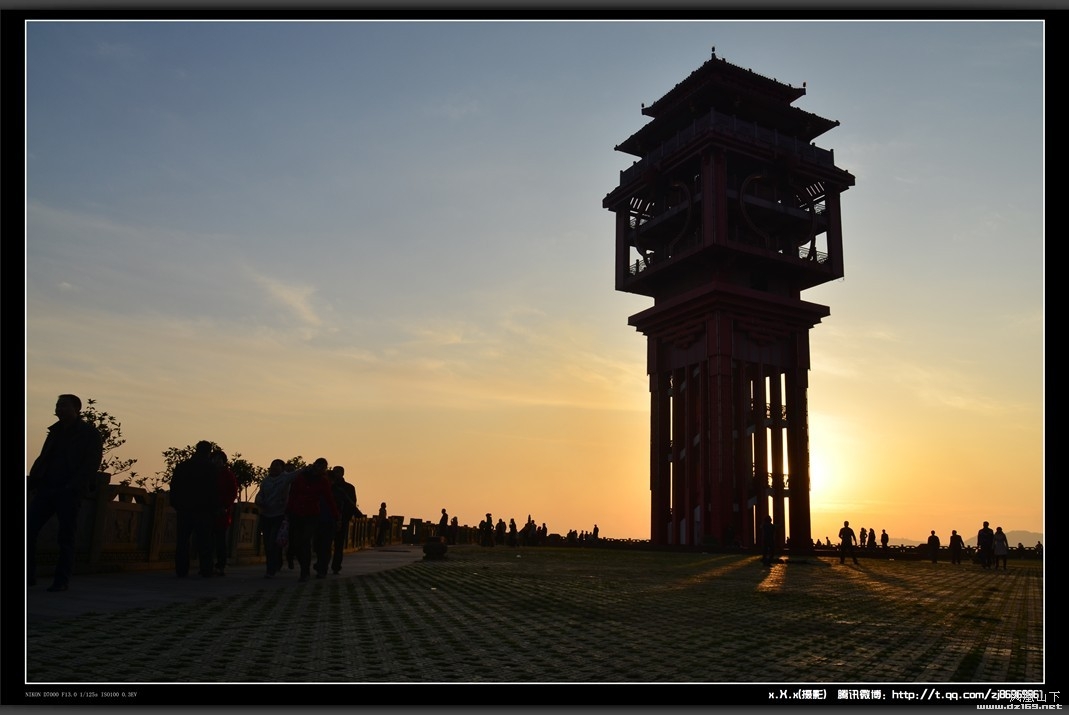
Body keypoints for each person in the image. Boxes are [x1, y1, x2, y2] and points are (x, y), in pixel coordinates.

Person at [27, 394, 104, 592]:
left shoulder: (90, 434)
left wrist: (74, 486)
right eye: (57, 405)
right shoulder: (55, 431)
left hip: (69, 491)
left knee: (66, 537)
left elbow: (91, 464)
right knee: (29, 530)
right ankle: (29, 575)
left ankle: (61, 580)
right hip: (46, 487)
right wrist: (34, 479)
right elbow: (44, 457)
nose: (59, 409)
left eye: (63, 405)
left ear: (76, 409)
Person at [169, 441, 220, 579]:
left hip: (184, 509)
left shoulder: (183, 466)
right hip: (204, 510)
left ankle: (181, 570)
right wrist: (215, 509)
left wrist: (175, 503)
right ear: (209, 452)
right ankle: (206, 570)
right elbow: (214, 491)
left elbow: (174, 487)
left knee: (182, 541)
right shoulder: (211, 468)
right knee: (205, 542)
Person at [285, 458, 339, 582]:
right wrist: (288, 509)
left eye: (323, 467)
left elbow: (329, 498)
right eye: (318, 465)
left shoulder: (323, 481)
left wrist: (335, 516)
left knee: (305, 541)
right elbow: (293, 494)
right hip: (297, 512)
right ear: (314, 465)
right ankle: (304, 566)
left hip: (312, 514)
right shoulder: (301, 477)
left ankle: (305, 571)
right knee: (296, 542)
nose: (320, 468)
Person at [255, 459, 300, 578]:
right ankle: (271, 567)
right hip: (266, 515)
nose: (274, 468)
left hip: (279, 515)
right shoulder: (266, 481)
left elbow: (297, 473)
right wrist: (259, 500)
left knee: (273, 542)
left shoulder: (285, 478)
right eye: (272, 465)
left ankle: (271, 570)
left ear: (282, 468)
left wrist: (310, 468)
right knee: (267, 543)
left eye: (277, 465)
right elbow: (260, 494)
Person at [211, 450, 239, 576]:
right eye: (214, 459)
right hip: (208, 510)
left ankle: (221, 565)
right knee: (207, 540)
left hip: (221, 511)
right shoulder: (208, 474)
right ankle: (207, 564)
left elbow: (233, 492)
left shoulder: (228, 475)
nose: (217, 462)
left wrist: (225, 505)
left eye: (219, 459)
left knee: (220, 541)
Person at [328, 466, 358, 574]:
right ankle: (322, 565)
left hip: (342, 520)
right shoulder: (328, 486)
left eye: (338, 472)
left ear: (342, 473)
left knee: (339, 545)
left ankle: (336, 566)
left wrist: (346, 517)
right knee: (325, 544)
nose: (336, 474)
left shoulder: (349, 488)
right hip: (328, 519)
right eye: (334, 472)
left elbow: (352, 504)